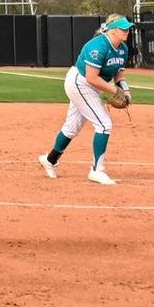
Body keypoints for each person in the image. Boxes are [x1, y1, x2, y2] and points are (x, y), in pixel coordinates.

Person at [38, 15, 133, 186]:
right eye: (123, 28)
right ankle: (97, 171)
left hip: (91, 86)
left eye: (128, 28)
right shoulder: (97, 46)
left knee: (72, 127)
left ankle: (50, 160)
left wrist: (125, 90)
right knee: (104, 124)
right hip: (79, 82)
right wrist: (115, 90)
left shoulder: (123, 49)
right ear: (112, 30)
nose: (127, 31)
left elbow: (119, 74)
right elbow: (91, 78)